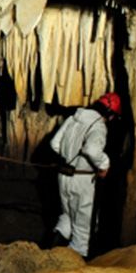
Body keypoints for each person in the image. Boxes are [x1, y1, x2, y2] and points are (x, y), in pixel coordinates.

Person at [49, 92, 121, 258]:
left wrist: (69, 157)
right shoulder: (98, 126)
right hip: (82, 180)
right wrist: (104, 165)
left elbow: (54, 144)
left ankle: (50, 252)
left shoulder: (74, 118)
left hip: (64, 176)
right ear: (110, 114)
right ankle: (73, 266)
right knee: (84, 225)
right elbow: (92, 150)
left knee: (67, 216)